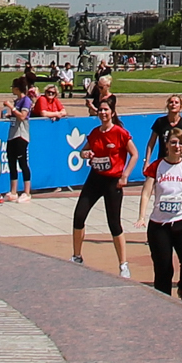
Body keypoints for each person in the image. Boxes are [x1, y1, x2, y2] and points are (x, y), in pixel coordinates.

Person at [143, 107, 182, 297]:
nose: (177, 146)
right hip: (159, 224)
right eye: (173, 143)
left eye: (181, 143)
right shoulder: (157, 166)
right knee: (163, 269)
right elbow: (146, 192)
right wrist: (141, 215)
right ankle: (163, 305)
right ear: (167, 144)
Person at [71, 101, 133, 267]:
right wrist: (85, 154)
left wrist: (125, 175)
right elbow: (83, 151)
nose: (103, 112)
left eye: (106, 110)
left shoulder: (120, 133)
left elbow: (134, 154)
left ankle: (123, 263)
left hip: (113, 181)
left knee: (114, 222)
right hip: (96, 178)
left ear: (112, 113)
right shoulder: (95, 133)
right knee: (79, 215)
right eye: (100, 110)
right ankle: (77, 256)